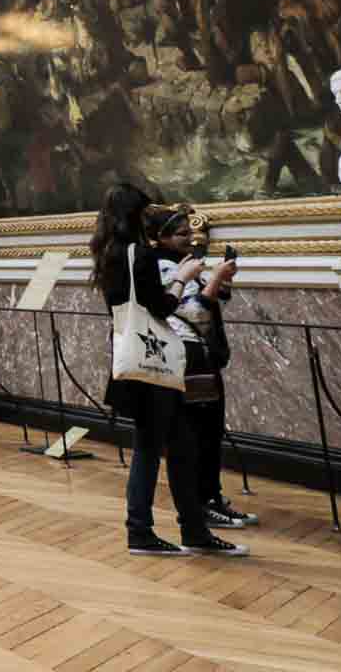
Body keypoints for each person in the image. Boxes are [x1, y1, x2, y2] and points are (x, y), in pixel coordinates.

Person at [93, 187, 244, 556]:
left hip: (142, 360)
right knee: (153, 450)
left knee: (179, 447)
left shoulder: (109, 254)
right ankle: (141, 532)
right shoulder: (138, 255)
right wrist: (184, 276)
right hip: (155, 361)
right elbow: (162, 308)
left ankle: (191, 531)